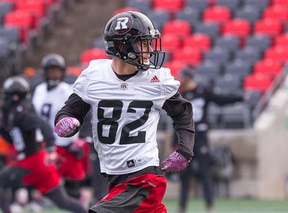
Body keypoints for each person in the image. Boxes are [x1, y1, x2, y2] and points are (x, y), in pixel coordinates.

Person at [54, 11, 195, 213]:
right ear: (121, 46)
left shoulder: (157, 80)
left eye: (150, 43)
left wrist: (184, 150)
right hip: (114, 175)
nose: (149, 50)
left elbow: (182, 113)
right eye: (142, 43)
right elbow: (70, 109)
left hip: (144, 176)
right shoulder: (94, 76)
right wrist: (65, 120)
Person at [0, 76, 87, 213]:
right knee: (63, 201)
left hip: (33, 161)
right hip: (40, 162)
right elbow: (11, 136)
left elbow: (43, 125)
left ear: (16, 96)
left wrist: (51, 148)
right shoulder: (17, 112)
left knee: (2, 181)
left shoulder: (23, 114)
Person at [174, 68, 243, 213]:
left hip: (201, 136)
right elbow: (178, 120)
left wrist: (240, 97)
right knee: (185, 174)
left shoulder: (203, 92)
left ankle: (209, 206)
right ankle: (182, 206)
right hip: (186, 138)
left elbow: (221, 100)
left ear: (188, 77)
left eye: (182, 77)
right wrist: (175, 141)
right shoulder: (183, 95)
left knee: (205, 171)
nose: (179, 79)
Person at [31, 53, 89, 201]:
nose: (53, 74)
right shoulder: (39, 90)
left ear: (62, 72)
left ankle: (76, 200)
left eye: (56, 70)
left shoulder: (67, 90)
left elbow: (78, 113)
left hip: (63, 141)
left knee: (70, 178)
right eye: (50, 70)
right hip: (43, 141)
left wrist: (78, 137)